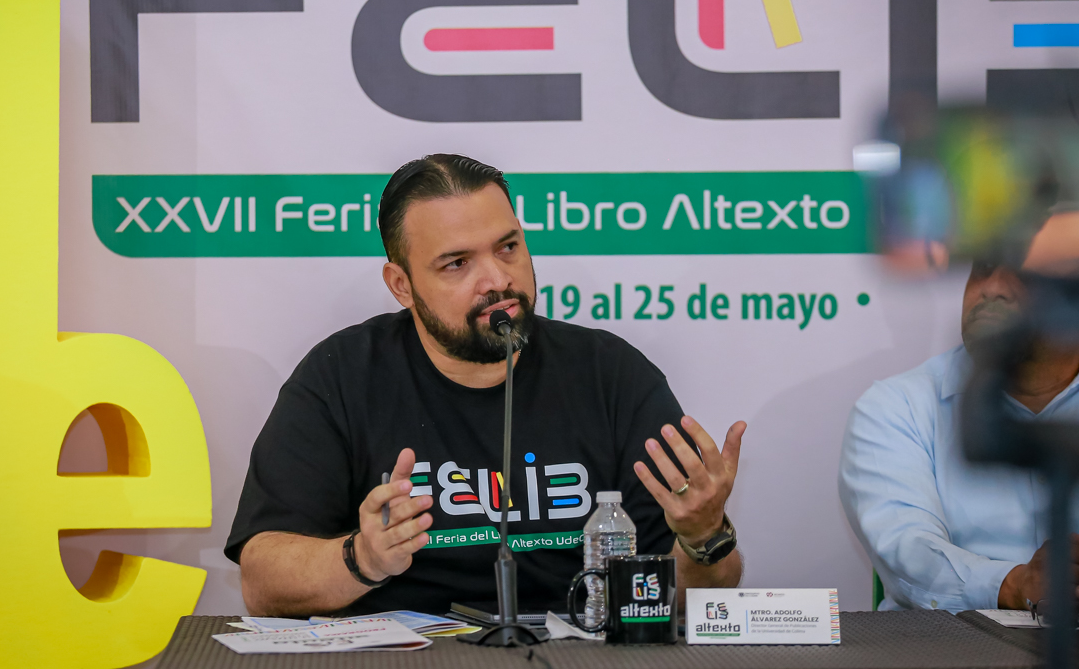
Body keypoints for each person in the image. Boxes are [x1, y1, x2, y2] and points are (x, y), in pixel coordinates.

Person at [225, 155, 745, 616]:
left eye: (508, 247)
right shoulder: (340, 376)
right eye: (457, 263)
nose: (497, 279)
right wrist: (361, 558)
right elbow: (262, 584)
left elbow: (692, 595)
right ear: (401, 285)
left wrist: (703, 538)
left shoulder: (612, 375)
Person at [839, 223, 1079, 612]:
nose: (992, 289)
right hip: (946, 642)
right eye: (982, 268)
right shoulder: (896, 406)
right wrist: (1014, 585)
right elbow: (908, 552)